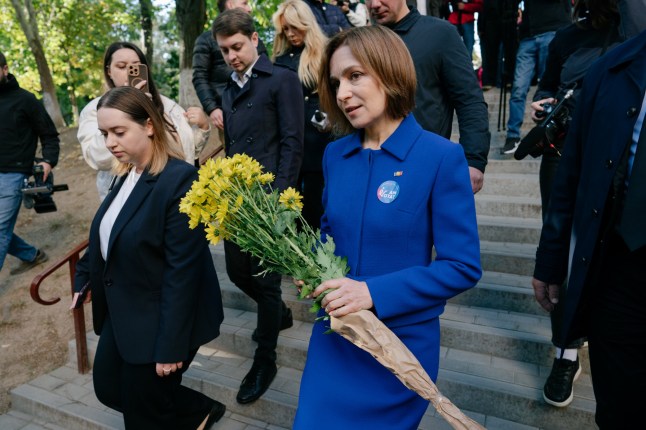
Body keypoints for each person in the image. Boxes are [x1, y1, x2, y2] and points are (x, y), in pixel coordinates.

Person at [293, 25, 482, 429]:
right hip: (336, 341)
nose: (342, 93)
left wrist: (371, 292)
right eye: (336, 82)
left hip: (398, 348)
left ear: (390, 71)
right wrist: (310, 266)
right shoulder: (334, 155)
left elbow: (462, 266)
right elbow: (328, 232)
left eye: (355, 76)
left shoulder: (441, 157)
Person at [73, 86, 225, 429]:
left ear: (149, 126)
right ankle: (199, 411)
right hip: (125, 308)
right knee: (109, 388)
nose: (110, 142)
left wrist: (170, 347)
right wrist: (84, 274)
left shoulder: (180, 180)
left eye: (119, 132)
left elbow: (182, 274)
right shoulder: (125, 173)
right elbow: (109, 231)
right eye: (105, 133)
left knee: (144, 413)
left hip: (160, 318)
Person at [532, 28, 646, 428]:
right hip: (620, 269)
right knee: (619, 411)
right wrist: (551, 257)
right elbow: (572, 173)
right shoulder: (611, 69)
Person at [527, 0, 622, 409]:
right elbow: (547, 86)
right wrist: (543, 103)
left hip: (620, 162)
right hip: (563, 155)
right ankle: (565, 351)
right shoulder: (566, 38)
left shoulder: (633, 35)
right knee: (563, 252)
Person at [213, 8, 304, 404]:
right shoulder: (227, 89)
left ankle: (265, 360)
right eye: (224, 50)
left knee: (266, 283)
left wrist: (280, 201)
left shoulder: (282, 79)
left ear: (254, 39)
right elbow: (232, 147)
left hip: (270, 200)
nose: (231, 56)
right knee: (237, 273)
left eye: (236, 46)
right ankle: (279, 314)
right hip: (238, 202)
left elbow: (293, 143)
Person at [366, 0, 490, 194]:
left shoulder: (440, 33)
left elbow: (469, 101)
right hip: (372, 166)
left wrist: (474, 160)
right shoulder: (363, 43)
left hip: (424, 168)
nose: (374, 4)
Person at [78, 42, 210, 201]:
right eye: (121, 66)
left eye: (136, 66)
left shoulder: (168, 106)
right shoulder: (94, 110)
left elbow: (185, 149)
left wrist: (202, 128)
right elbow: (96, 158)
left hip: (177, 192)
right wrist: (127, 108)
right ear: (109, 71)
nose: (129, 72)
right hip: (132, 199)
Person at [273, 0, 332, 229]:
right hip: (290, 143)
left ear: (305, 24)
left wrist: (330, 119)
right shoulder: (281, 60)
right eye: (285, 29)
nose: (290, 34)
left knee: (318, 209)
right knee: (292, 214)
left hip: (319, 141)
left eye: (294, 27)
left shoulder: (324, 53)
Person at [0, 51, 58, 275]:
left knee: (0, 230)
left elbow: (49, 135)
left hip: (13, 174)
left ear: (5, 69)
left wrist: (48, 161)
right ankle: (32, 255)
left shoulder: (25, 100)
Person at [500, 0, 571, 154]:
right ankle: (513, 136)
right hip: (528, 36)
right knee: (518, 87)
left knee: (549, 88)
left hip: (552, 30)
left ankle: (548, 134)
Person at [192, 0, 268, 131]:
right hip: (227, 114)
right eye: (244, 3)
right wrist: (212, 108)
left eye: (237, 47)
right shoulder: (205, 40)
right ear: (230, 4)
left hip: (260, 111)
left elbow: (266, 71)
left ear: (254, 39)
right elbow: (200, 77)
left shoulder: (255, 40)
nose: (249, 8)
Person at [478, 0, 519, 90]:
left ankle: (510, 80)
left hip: (509, 18)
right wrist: (481, 25)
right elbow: (483, 7)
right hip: (491, 19)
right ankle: (490, 80)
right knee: (490, 52)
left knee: (510, 51)